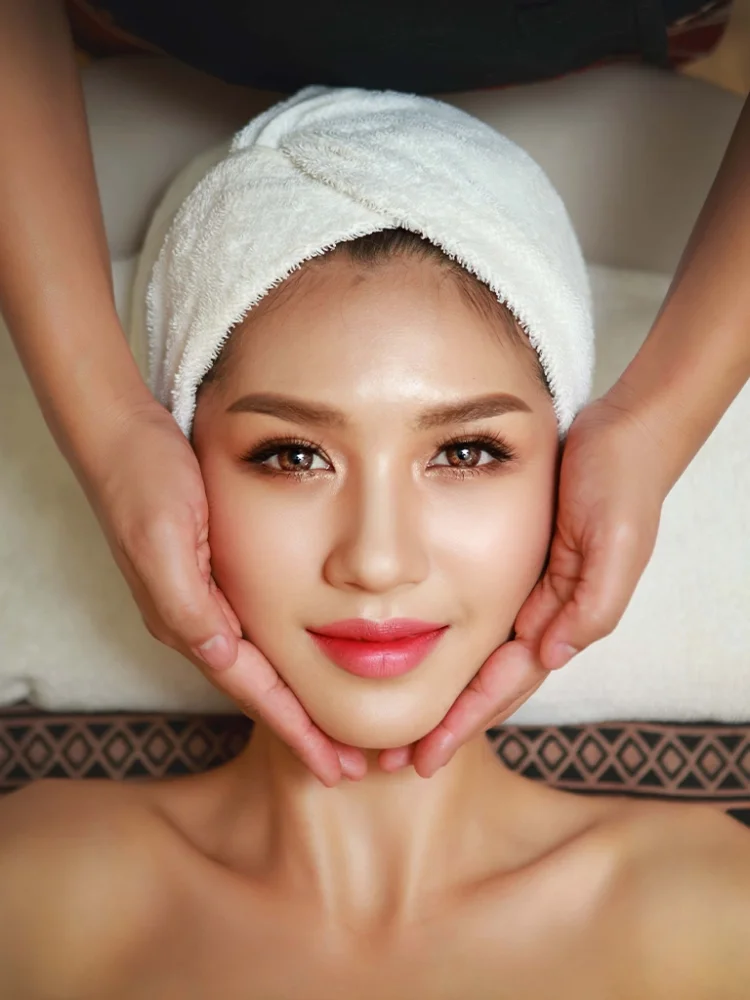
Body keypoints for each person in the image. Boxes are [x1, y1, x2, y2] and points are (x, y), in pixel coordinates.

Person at [1, 90, 749, 997]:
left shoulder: (714, 907)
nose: (377, 560)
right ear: (182, 472)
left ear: (564, 477)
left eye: (467, 452)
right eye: (293, 455)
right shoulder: (37, 890)